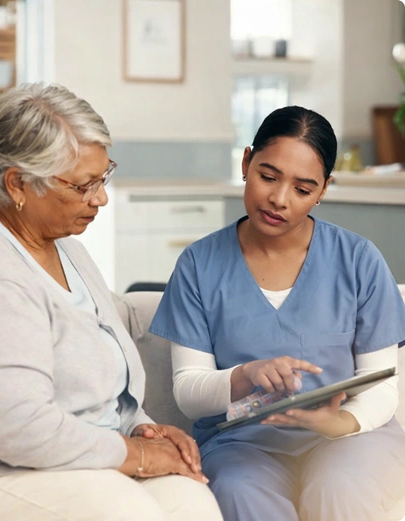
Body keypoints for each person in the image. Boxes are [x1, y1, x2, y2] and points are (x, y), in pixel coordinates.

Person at [0, 82, 223, 521]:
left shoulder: (62, 245)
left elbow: (101, 359)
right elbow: (15, 428)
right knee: (130, 513)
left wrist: (137, 426)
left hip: (68, 458)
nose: (101, 198)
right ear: (18, 183)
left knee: (192, 503)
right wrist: (136, 455)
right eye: (83, 185)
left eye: (103, 176)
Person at [149, 105, 405, 521]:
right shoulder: (199, 265)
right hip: (242, 445)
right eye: (268, 176)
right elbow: (189, 392)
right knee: (241, 494)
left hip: (349, 439)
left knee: (338, 490)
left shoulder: (359, 260)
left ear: (323, 191)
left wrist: (339, 422)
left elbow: (380, 385)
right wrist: (244, 375)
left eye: (303, 190)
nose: (279, 199)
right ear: (247, 161)